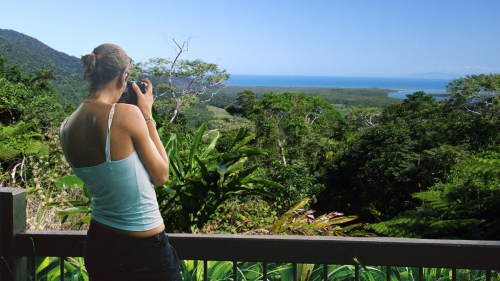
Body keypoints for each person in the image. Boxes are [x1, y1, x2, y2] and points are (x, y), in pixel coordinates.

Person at [59, 43, 183, 280]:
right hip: (144, 254)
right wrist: (147, 114)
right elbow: (161, 175)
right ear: (122, 76)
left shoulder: (66, 126)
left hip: (99, 245)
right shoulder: (126, 114)